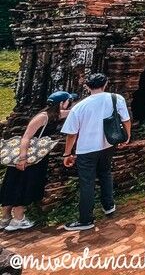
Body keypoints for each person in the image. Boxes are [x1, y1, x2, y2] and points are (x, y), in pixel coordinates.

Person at [60, 73, 131, 231]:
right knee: (105, 173)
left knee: (87, 183)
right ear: (105, 84)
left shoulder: (79, 106)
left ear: (87, 86)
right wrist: (127, 136)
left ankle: (86, 219)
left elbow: (72, 133)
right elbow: (126, 119)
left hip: (86, 149)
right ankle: (109, 205)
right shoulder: (116, 98)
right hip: (108, 144)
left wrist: (67, 153)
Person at [1, 91, 76, 232]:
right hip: (28, 157)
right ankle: (17, 220)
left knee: (14, 184)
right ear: (61, 103)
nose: (69, 104)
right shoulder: (42, 117)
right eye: (67, 101)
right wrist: (23, 157)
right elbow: (26, 137)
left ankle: (6, 219)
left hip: (37, 157)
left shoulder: (55, 115)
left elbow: (73, 111)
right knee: (22, 185)